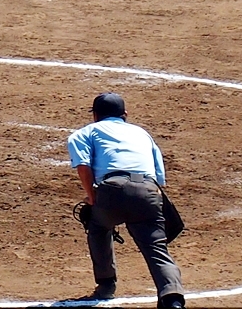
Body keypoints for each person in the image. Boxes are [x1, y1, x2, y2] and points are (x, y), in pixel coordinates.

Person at [67, 92, 185, 309]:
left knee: (98, 226)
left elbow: (83, 166)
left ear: (95, 115)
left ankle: (106, 285)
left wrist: (92, 196)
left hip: (111, 190)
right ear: (125, 114)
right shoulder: (143, 134)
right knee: (156, 248)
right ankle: (173, 299)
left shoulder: (85, 133)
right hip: (147, 191)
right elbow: (159, 178)